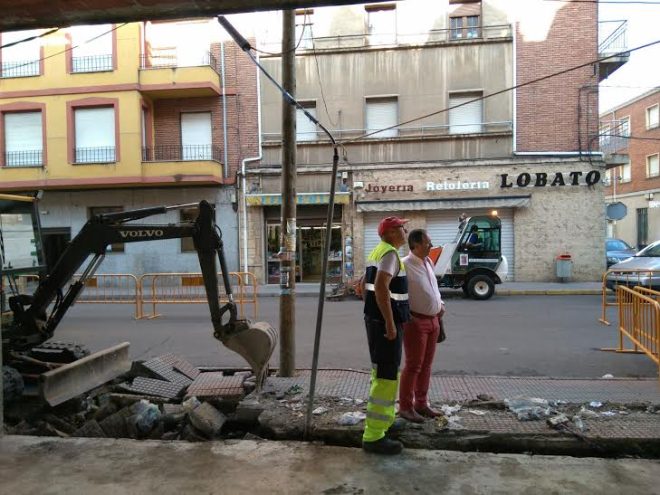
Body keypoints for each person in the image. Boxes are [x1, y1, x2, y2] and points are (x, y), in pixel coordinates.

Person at [361, 216, 410, 455]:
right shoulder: (389, 253)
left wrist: (372, 312)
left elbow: (363, 286)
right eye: (401, 227)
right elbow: (380, 287)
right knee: (387, 375)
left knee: (382, 372)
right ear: (390, 232)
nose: (405, 230)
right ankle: (374, 435)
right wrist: (390, 323)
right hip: (384, 324)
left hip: (375, 320)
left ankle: (386, 421)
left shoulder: (378, 251)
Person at [399, 229, 445, 422]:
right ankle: (406, 407)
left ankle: (421, 403)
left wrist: (440, 304)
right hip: (416, 322)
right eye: (427, 242)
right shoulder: (404, 265)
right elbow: (391, 291)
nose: (430, 245)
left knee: (426, 365)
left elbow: (433, 287)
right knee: (413, 366)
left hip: (434, 320)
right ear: (415, 245)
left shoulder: (427, 261)